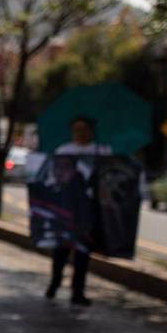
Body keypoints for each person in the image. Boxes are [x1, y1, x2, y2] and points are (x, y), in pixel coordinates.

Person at [46, 116, 112, 306]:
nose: (81, 133)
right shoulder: (64, 151)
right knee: (60, 252)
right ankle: (55, 283)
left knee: (82, 254)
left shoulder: (102, 151)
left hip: (87, 214)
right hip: (65, 211)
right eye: (77, 129)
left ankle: (78, 292)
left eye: (85, 129)